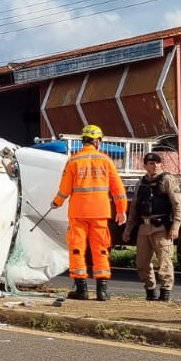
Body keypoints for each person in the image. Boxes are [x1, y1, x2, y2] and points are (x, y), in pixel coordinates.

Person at [52, 125, 128, 300]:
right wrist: (121, 209)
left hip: (78, 212)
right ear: (97, 141)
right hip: (100, 211)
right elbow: (118, 189)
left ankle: (81, 289)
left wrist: (57, 202)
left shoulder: (74, 161)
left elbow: (65, 188)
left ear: (83, 141)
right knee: (100, 249)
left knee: (77, 248)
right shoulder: (106, 160)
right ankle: (102, 291)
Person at [123, 151, 181, 301]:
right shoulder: (141, 183)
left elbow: (178, 205)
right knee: (142, 263)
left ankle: (165, 292)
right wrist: (128, 229)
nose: (155, 165)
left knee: (164, 261)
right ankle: (150, 290)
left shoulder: (167, 180)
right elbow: (134, 208)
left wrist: (176, 226)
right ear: (145, 166)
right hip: (144, 227)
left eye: (158, 162)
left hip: (161, 227)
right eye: (151, 163)